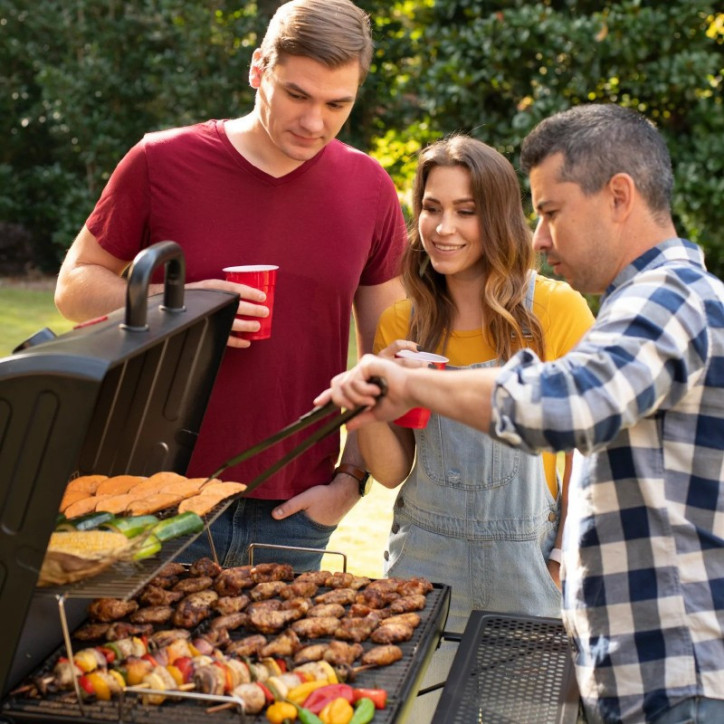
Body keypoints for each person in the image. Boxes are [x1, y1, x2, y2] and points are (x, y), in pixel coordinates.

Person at [318, 103, 724, 724]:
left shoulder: (663, 301)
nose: (540, 237)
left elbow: (567, 407)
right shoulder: (641, 303)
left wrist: (413, 386)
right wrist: (375, 404)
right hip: (627, 659)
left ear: (619, 196)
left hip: (669, 670)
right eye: (431, 208)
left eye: (552, 213)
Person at [54, 0, 407, 572]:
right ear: (257, 69)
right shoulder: (161, 160)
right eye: (297, 94)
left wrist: (349, 482)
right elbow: (74, 287)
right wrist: (184, 304)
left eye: (337, 103)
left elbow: (387, 358)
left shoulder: (370, 188)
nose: (314, 121)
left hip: (293, 511)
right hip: (157, 500)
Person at [358, 135, 594, 634]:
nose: (444, 228)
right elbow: (390, 472)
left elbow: (589, 453)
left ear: (500, 217)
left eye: (467, 211)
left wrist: (561, 558)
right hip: (422, 568)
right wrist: (375, 395)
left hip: (529, 574)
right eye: (431, 208)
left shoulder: (554, 311)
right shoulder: (403, 324)